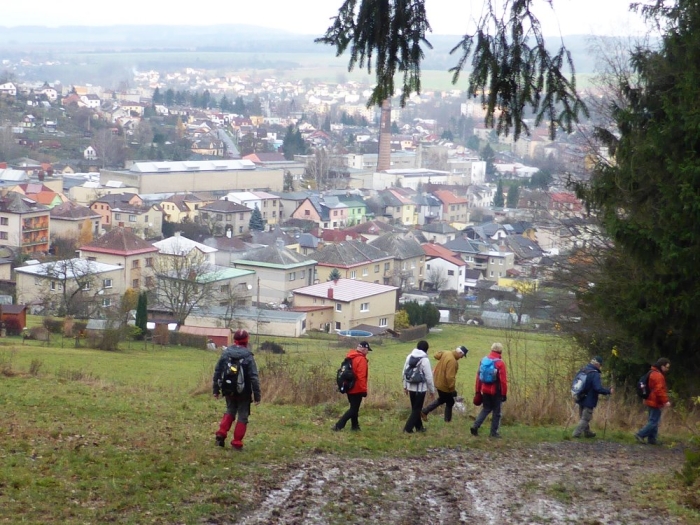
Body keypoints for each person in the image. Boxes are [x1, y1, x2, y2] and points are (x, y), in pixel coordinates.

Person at [212, 329, 261, 450]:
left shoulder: (226, 353)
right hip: (244, 392)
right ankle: (237, 442)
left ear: (234, 340)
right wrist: (257, 395)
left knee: (230, 411)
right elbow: (254, 377)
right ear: (246, 340)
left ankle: (221, 434)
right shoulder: (248, 356)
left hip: (228, 389)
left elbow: (218, 371)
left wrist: (216, 389)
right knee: (242, 416)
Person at [421, 345, 468, 422]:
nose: (462, 357)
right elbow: (450, 377)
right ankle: (447, 421)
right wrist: (452, 389)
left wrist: (443, 351)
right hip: (444, 385)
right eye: (462, 355)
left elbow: (436, 355)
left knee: (442, 399)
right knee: (450, 402)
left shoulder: (446, 353)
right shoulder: (453, 361)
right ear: (459, 352)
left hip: (437, 381)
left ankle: (425, 411)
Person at [471, 342, 508, 438]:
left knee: (486, 409)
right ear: (500, 351)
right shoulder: (500, 363)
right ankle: (493, 433)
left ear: (491, 349)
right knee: (497, 412)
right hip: (496, 391)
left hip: (485, 390)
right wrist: (504, 394)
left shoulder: (483, 360)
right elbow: (503, 381)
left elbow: (478, 377)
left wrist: (478, 390)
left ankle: (475, 425)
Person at [332, 341, 371, 431]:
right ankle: (339, 425)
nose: (368, 352)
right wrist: (364, 390)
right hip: (356, 388)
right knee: (353, 409)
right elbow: (361, 376)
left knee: (354, 408)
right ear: (364, 349)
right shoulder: (361, 360)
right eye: (367, 350)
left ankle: (355, 427)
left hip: (349, 386)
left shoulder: (351, 357)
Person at [572, 356, 613, 439]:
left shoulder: (583, 370)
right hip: (589, 399)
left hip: (580, 396)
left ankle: (587, 433)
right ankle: (576, 434)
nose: (600, 367)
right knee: (586, 418)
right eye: (600, 365)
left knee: (583, 416)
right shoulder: (595, 374)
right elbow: (597, 388)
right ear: (597, 364)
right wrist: (608, 391)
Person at [402, 340, 436, 433]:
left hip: (410, 386)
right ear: (426, 349)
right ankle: (407, 429)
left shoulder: (409, 356)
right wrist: (432, 390)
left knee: (415, 408)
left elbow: (404, 372)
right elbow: (429, 377)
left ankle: (419, 428)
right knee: (417, 410)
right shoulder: (425, 359)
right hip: (420, 389)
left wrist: (405, 386)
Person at [635, 358, 671, 445]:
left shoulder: (651, 372)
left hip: (650, 400)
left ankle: (652, 439)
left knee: (654, 420)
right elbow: (659, 390)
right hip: (655, 401)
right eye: (666, 367)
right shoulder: (658, 376)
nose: (667, 369)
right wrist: (666, 401)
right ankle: (640, 434)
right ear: (662, 366)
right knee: (654, 421)